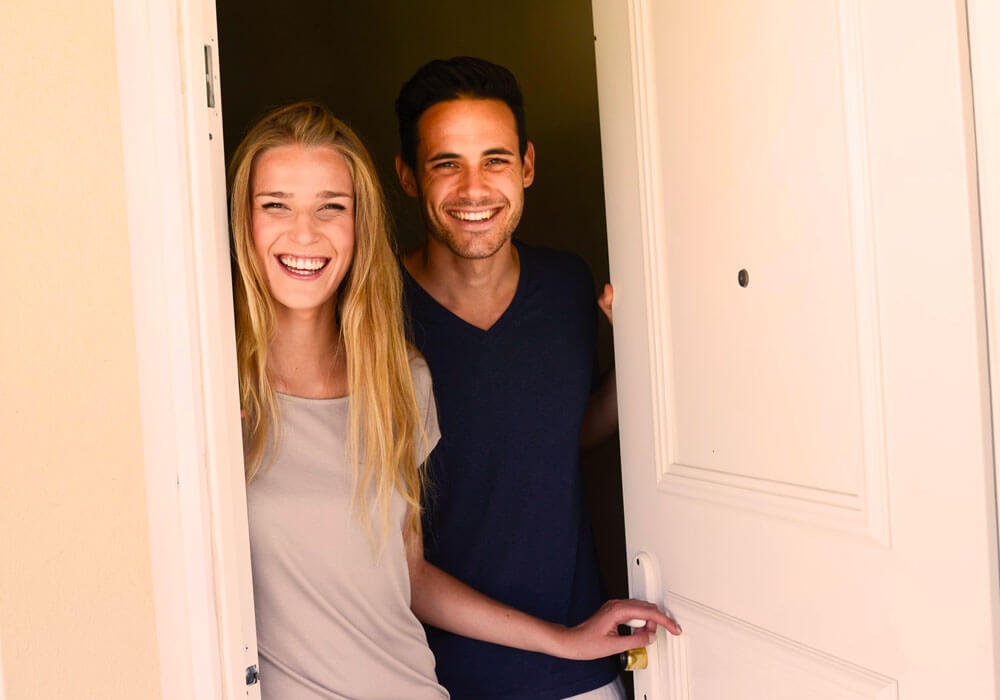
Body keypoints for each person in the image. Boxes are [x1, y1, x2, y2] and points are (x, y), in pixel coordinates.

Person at [231, 101, 677, 699]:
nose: (305, 232)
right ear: (243, 220)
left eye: (331, 207)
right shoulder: (208, 392)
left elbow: (408, 576)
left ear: (359, 223)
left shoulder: (400, 378)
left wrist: (565, 639)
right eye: (276, 205)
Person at [393, 57, 680, 700]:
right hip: (430, 678)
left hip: (580, 670)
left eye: (494, 160)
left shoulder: (567, 284)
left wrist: (645, 360)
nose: (474, 188)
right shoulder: (373, 313)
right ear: (408, 176)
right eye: (447, 164)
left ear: (526, 165)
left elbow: (566, 432)